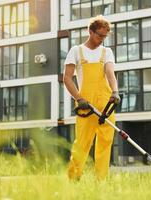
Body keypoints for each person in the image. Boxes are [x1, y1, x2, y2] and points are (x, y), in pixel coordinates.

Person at [63, 15, 120, 180]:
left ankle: (101, 181)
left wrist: (115, 92)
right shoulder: (76, 51)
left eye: (105, 36)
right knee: (82, 143)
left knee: (105, 142)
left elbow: (110, 73)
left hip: (105, 105)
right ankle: (73, 178)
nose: (102, 39)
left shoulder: (106, 52)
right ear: (90, 31)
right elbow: (67, 78)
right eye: (99, 35)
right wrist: (79, 98)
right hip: (85, 105)